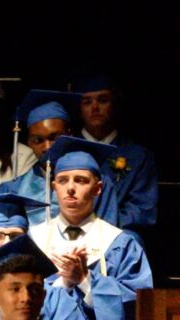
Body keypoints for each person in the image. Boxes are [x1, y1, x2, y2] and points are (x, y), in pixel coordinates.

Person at [28, 139, 152, 320]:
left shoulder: (121, 244)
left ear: (98, 188)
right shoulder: (34, 241)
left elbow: (138, 307)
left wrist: (85, 281)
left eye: (81, 181)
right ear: (54, 187)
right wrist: (63, 282)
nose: (70, 188)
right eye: (63, 181)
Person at [71, 73, 158, 232]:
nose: (95, 107)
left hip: (118, 235)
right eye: (87, 102)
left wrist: (98, 228)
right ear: (79, 109)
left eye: (102, 100)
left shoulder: (138, 156)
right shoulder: (66, 151)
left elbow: (142, 210)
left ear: (114, 104)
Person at [0, 89, 80, 223]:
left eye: (54, 138)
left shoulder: (92, 185)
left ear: (69, 135)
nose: (47, 147)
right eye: (38, 140)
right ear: (29, 143)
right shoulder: (12, 191)